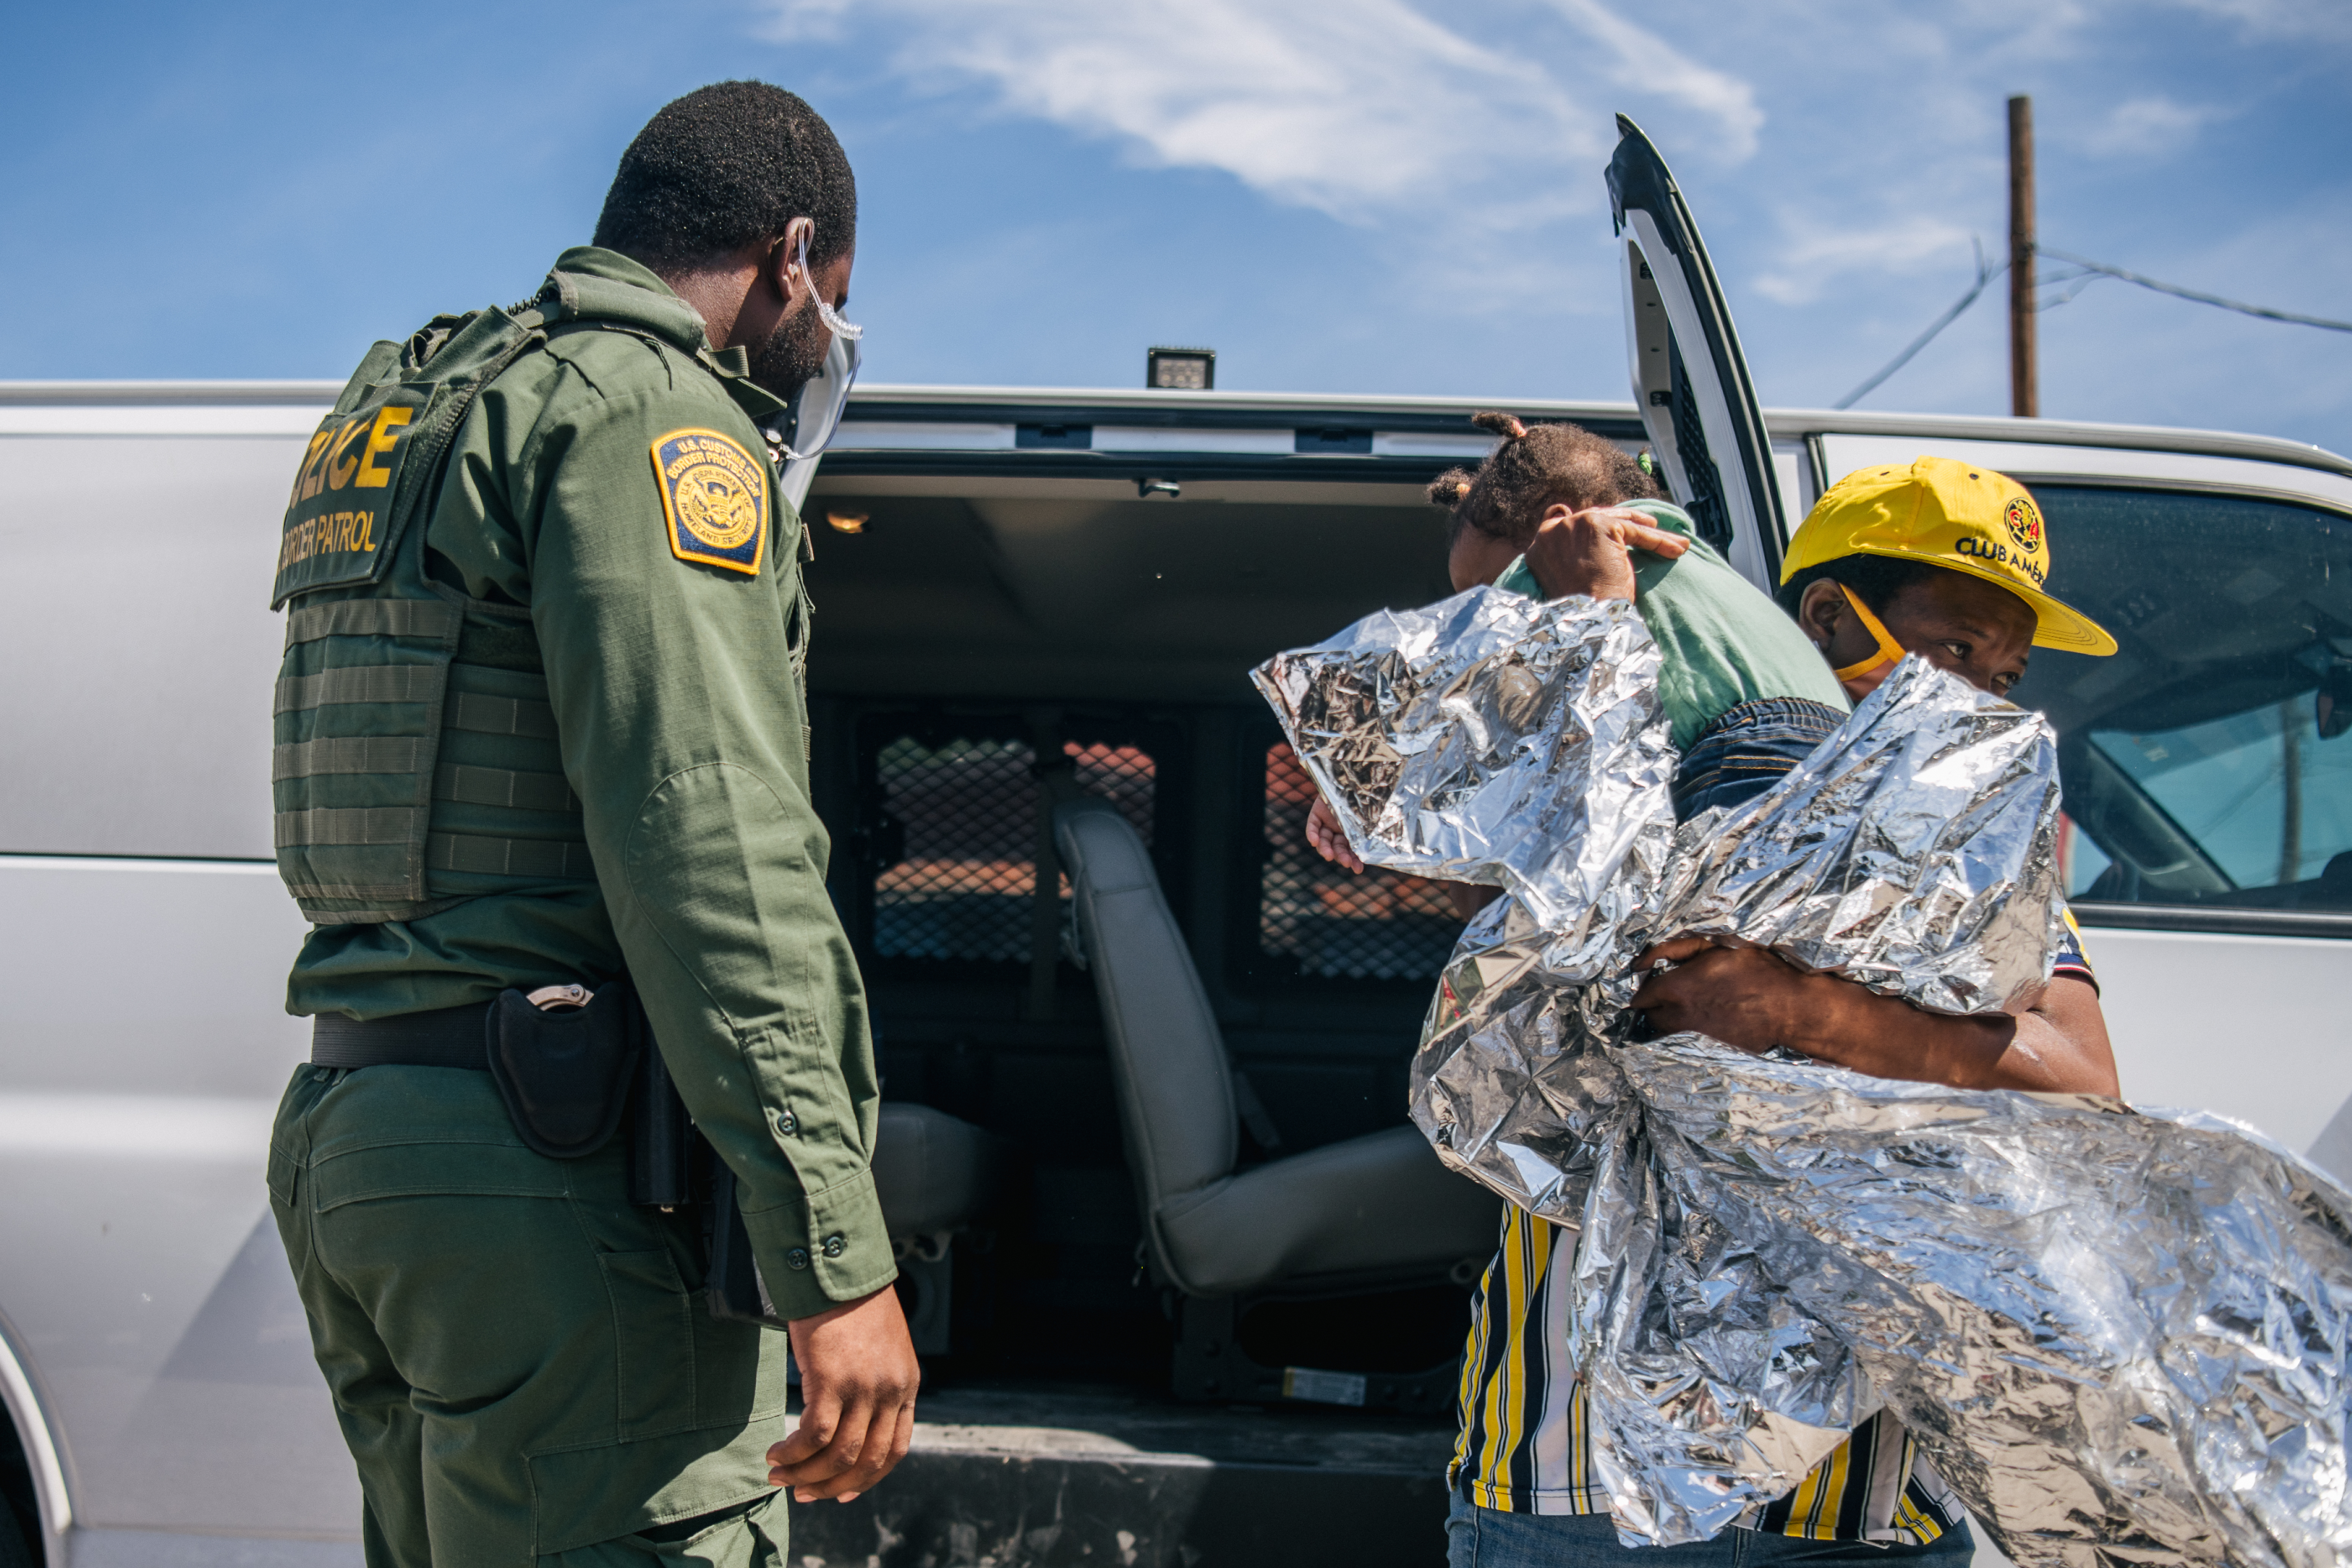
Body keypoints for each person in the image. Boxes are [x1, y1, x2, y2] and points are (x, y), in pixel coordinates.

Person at [264, 82, 915, 1565]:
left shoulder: (425, 405)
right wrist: (835, 1259)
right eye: (835, 300)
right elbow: (712, 851)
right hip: (548, 1179)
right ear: (790, 253)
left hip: (363, 1137)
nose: (827, 339)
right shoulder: (647, 416)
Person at [1304, 428, 2119, 1565]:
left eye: (2005, 676)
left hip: (1854, 1512)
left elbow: (2082, 1091)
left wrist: (1809, 1013)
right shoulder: (1602, 772)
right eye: (1956, 649)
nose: (1980, 699)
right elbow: (1530, 978)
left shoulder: (1986, 868)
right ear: (1827, 620)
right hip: (1574, 1486)